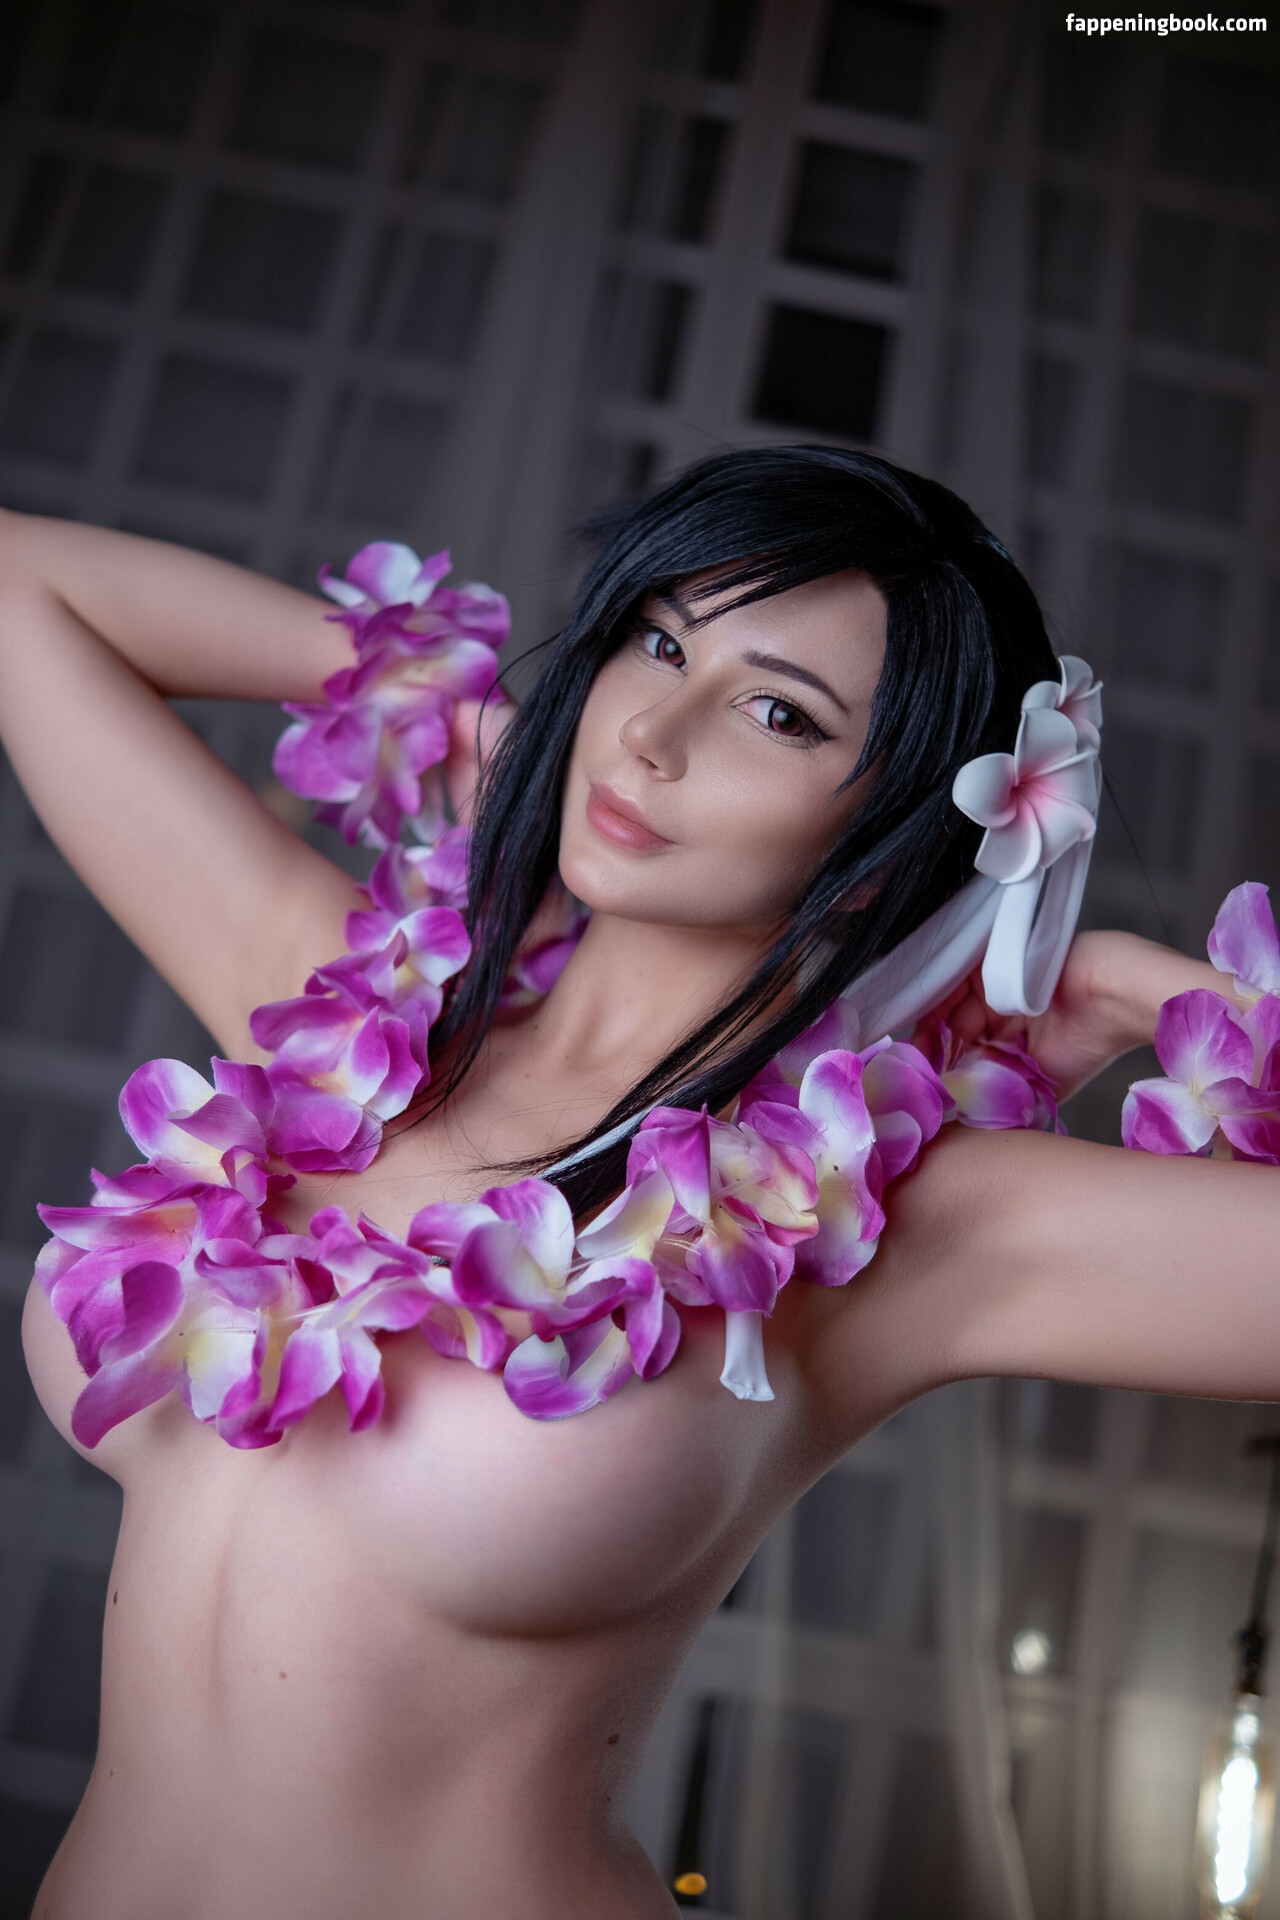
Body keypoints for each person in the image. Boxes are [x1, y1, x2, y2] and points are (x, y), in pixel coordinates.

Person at [1, 446, 1275, 1920]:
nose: (651, 736)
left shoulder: (892, 1215)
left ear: (908, 832)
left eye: (777, 711)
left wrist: (1156, 995)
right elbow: (24, 588)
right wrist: (453, 700)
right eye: (657, 641)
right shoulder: (341, 1023)